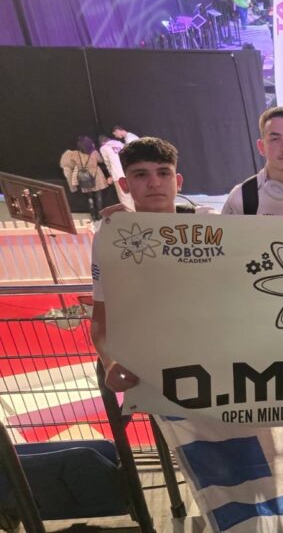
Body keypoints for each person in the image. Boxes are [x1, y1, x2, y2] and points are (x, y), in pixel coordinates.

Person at [91, 137, 199, 391]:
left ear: (178, 181)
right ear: (124, 184)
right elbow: (101, 319)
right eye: (141, 175)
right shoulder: (110, 239)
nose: (154, 183)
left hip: (216, 364)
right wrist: (109, 362)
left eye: (163, 173)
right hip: (154, 374)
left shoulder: (211, 224)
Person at [60, 136, 110, 221]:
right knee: (98, 197)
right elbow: (101, 160)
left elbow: (68, 162)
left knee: (90, 197)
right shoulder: (94, 153)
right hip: (96, 176)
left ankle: (93, 215)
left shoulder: (75, 154)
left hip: (84, 177)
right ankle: (99, 215)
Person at [98, 135, 132, 209]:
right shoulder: (120, 143)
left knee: (124, 197)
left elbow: (107, 163)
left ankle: (130, 213)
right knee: (133, 195)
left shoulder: (104, 148)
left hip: (118, 175)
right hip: (129, 173)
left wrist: (111, 175)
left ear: (102, 143)